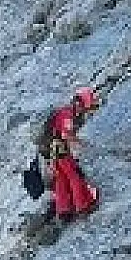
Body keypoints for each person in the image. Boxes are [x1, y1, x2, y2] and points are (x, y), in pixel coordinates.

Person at [43, 86, 101, 220]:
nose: (86, 112)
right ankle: (83, 206)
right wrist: (79, 144)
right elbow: (66, 134)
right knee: (74, 176)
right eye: (87, 107)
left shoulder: (64, 112)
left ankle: (63, 210)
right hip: (60, 150)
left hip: (53, 151)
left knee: (61, 179)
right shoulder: (67, 114)